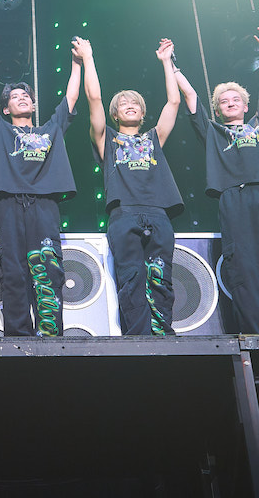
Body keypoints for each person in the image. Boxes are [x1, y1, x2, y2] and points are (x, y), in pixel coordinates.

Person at [172, 30, 259, 335]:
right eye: (224, 101)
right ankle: (254, 333)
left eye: (236, 99)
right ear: (217, 109)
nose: (230, 103)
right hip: (234, 200)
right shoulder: (212, 132)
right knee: (243, 268)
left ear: (246, 105)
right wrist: (172, 65)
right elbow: (191, 97)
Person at [0, 11, 81, 337]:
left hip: (44, 204)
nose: (21, 98)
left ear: (33, 105)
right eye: (14, 97)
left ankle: (51, 334)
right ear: (6, 108)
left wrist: (77, 63)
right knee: (14, 269)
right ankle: (18, 336)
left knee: (48, 266)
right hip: (9, 204)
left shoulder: (50, 129)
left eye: (26, 96)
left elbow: (71, 97)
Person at [76, 36, 183, 336]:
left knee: (160, 277)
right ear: (115, 114)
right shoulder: (107, 138)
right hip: (124, 214)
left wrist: (167, 62)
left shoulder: (154, 138)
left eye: (134, 102)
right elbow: (94, 99)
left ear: (143, 112)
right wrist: (88, 58)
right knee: (132, 278)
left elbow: (174, 102)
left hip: (158, 212)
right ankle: (138, 338)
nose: (129, 105)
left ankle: (163, 336)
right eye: (123, 103)